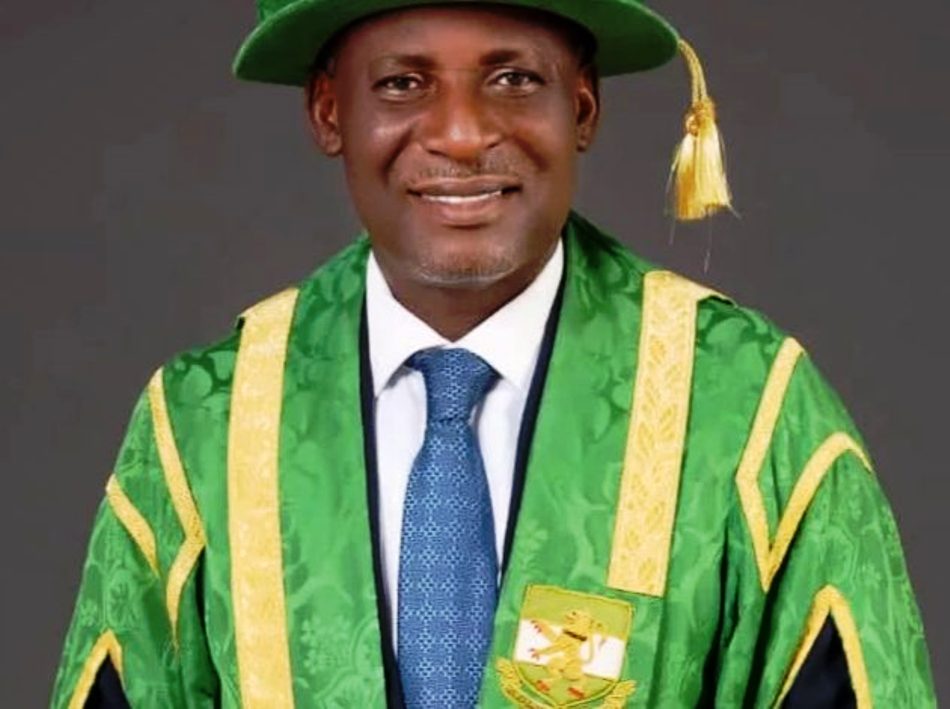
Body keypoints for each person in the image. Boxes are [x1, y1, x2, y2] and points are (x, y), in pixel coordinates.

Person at [51, 1, 936, 707]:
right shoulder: (205, 424)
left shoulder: (747, 409)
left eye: (514, 78)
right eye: (402, 83)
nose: (463, 133)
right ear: (330, 110)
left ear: (581, 108)